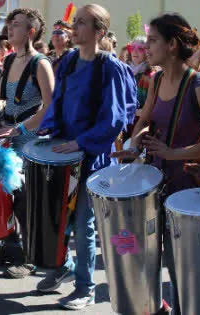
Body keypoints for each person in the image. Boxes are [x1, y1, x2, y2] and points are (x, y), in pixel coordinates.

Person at [113, 13, 200, 315]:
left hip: (188, 187)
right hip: (155, 182)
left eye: (152, 41)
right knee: (150, 259)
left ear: (172, 45)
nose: (146, 47)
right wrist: (133, 145)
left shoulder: (199, 85)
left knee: (183, 268)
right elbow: (145, 121)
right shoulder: (157, 80)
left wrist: (172, 153)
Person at [35, 4, 138, 310]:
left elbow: (115, 119)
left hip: (92, 158)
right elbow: (56, 104)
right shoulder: (67, 61)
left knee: (83, 224)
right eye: (74, 22)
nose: (73, 28)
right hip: (63, 153)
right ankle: (62, 265)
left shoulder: (111, 67)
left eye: (81, 24)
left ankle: (85, 287)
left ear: (99, 32)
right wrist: (48, 131)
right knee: (56, 217)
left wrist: (81, 142)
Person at [0, 8, 54, 279]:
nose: (10, 28)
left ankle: (31, 258)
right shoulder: (9, 61)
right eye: (10, 24)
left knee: (24, 201)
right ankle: (11, 248)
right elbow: (1, 97)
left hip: (29, 141)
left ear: (31, 32)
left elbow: (50, 106)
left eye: (17, 25)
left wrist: (18, 128)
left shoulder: (40, 64)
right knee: (5, 196)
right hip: (7, 136)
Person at [128, 36, 156, 117]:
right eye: (132, 47)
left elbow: (152, 109)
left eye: (140, 49)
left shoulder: (151, 76)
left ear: (147, 52)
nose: (135, 51)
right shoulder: (125, 71)